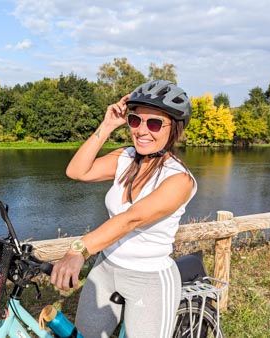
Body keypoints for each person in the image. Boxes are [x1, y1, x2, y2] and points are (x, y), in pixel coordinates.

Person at [50, 80, 197, 337]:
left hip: (149, 279)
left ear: (174, 129)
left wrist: (79, 250)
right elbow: (76, 171)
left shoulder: (179, 179)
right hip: (106, 268)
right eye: (134, 120)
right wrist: (107, 125)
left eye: (154, 123)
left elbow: (130, 219)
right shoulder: (125, 158)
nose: (142, 131)